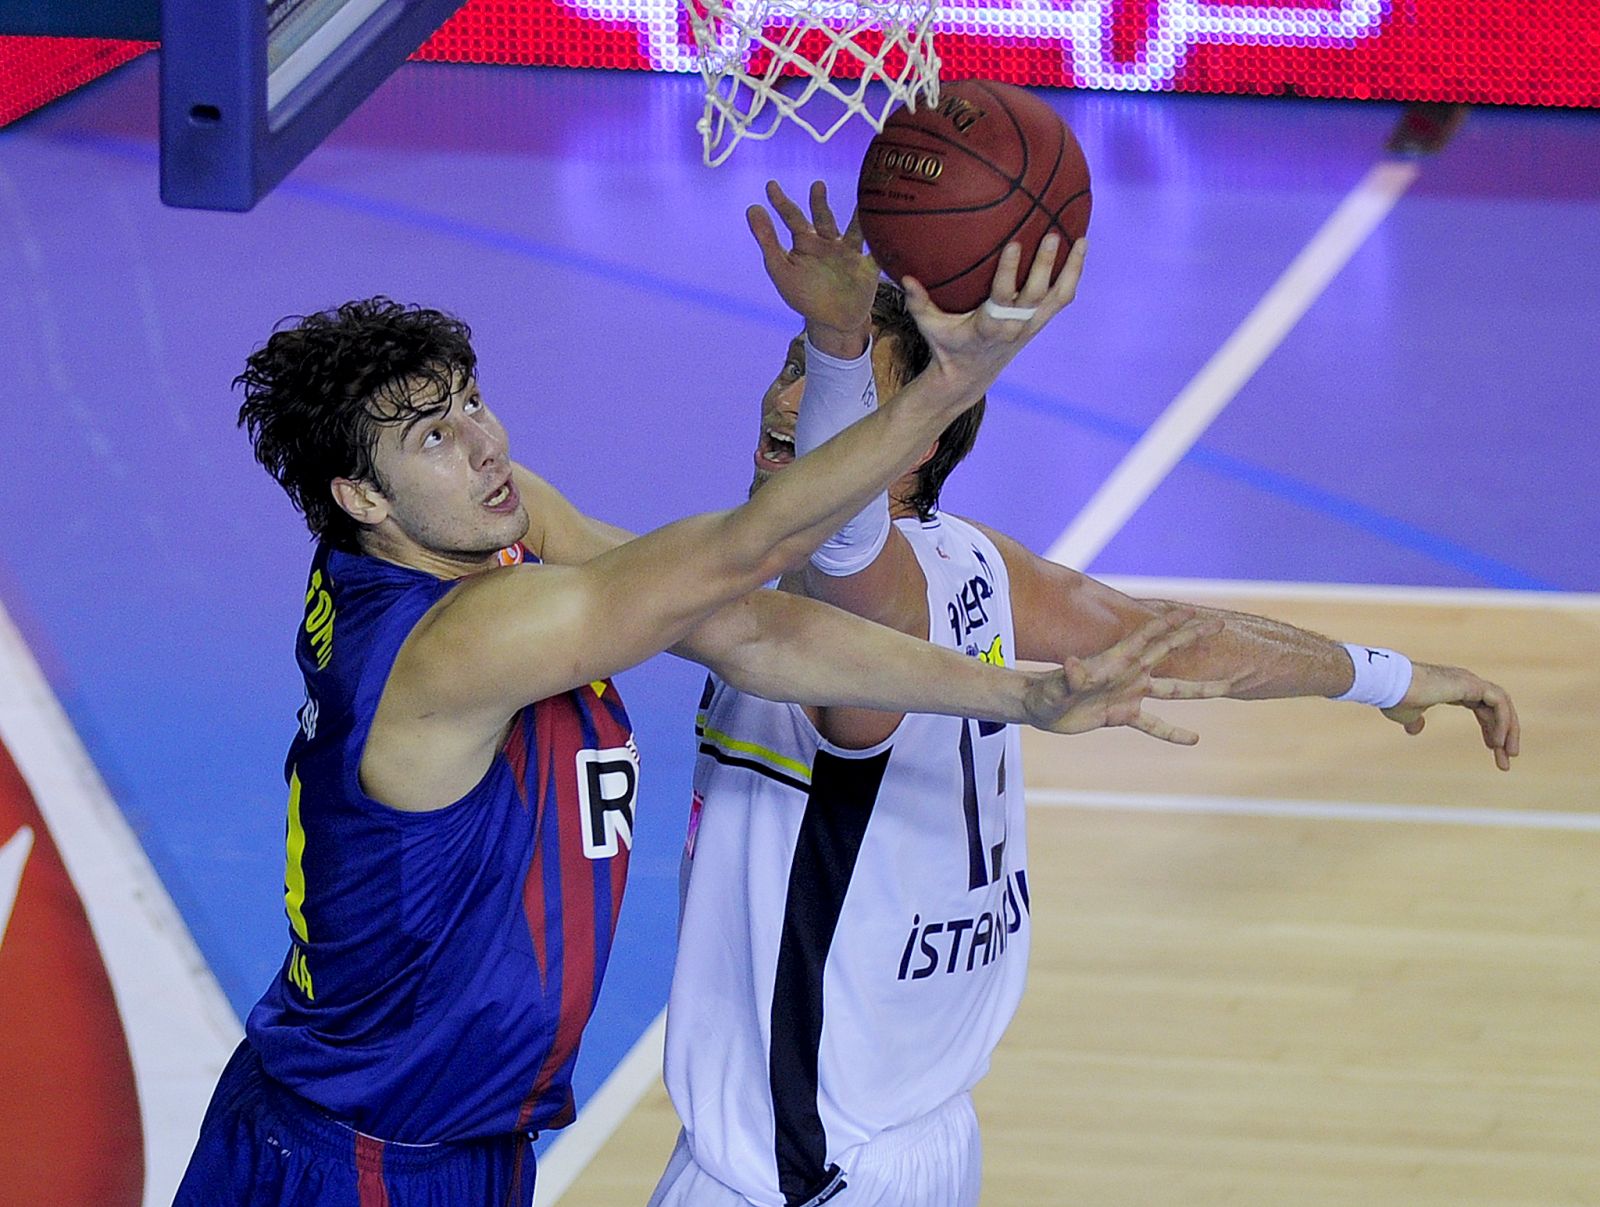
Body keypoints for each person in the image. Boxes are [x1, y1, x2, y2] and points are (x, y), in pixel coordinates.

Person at [173, 224, 1237, 1206]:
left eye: (471, 404)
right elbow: (749, 548)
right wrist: (934, 387)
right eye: (432, 437)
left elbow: (755, 631)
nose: (485, 445)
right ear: (360, 497)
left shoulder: (468, 525)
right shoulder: (454, 641)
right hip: (361, 1157)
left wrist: (1023, 693)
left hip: (443, 1137)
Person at [646, 181, 1521, 1207]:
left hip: (795, 1163)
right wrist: (1390, 676)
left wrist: (838, 333)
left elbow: (842, 535)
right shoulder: (975, 563)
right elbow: (1182, 641)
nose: (790, 397)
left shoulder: (856, 596)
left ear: (914, 443)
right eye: (793, 363)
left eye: (836, 390)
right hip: (923, 1131)